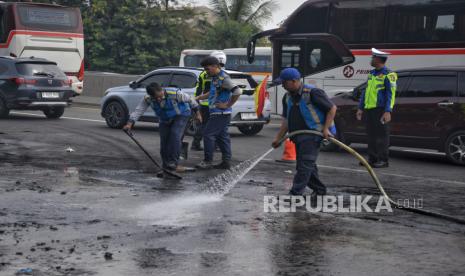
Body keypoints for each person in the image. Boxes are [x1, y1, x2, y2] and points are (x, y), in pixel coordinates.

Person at [271, 68, 337, 200]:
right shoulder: (288, 96)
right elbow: (286, 120)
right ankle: (319, 190)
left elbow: (332, 108)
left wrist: (325, 129)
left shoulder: (313, 93)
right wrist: (278, 138)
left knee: (304, 165)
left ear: (294, 81)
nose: (282, 85)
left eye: (284, 82)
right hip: (297, 135)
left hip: (313, 134)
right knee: (307, 165)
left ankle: (295, 194)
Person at [123, 82, 201, 173]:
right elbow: (138, 111)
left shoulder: (175, 94)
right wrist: (129, 123)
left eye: (160, 96)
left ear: (162, 90)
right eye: (156, 98)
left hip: (181, 115)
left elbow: (192, 101)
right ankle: (166, 166)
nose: (159, 99)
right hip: (164, 119)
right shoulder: (148, 99)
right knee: (164, 141)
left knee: (175, 136)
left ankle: (173, 164)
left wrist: (198, 114)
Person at [195, 56, 242, 170]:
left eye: (207, 69)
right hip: (218, 112)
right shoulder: (216, 77)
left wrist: (227, 105)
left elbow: (237, 91)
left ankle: (207, 161)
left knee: (208, 134)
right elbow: (213, 91)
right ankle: (226, 162)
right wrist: (200, 97)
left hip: (220, 113)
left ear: (215, 66)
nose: (206, 71)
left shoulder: (224, 78)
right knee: (222, 137)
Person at [356, 48, 397, 168]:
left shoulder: (389, 75)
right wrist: (360, 108)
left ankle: (383, 160)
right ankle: (372, 159)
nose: (371, 59)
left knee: (382, 136)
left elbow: (391, 94)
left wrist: (387, 111)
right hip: (370, 109)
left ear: (378, 59)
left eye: (373, 58)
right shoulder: (372, 74)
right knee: (371, 135)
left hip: (380, 110)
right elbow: (365, 92)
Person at [191, 51, 228, 151]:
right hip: (209, 103)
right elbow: (208, 89)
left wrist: (197, 99)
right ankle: (210, 145)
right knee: (209, 125)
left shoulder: (205, 74)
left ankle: (197, 143)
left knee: (206, 125)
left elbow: (200, 88)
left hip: (208, 103)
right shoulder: (219, 74)